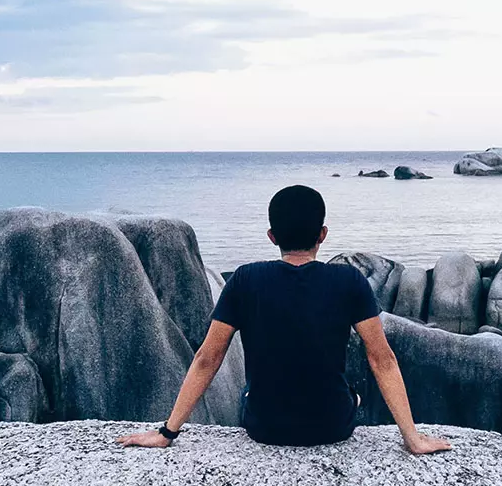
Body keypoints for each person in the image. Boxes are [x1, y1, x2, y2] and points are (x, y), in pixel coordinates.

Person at [116, 185, 453, 455]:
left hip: (264, 428)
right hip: (333, 426)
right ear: (322, 235)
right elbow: (382, 359)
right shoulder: (349, 281)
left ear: (272, 236)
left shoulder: (245, 279)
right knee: (354, 394)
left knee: (248, 392)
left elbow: (208, 359)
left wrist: (167, 432)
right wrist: (412, 437)